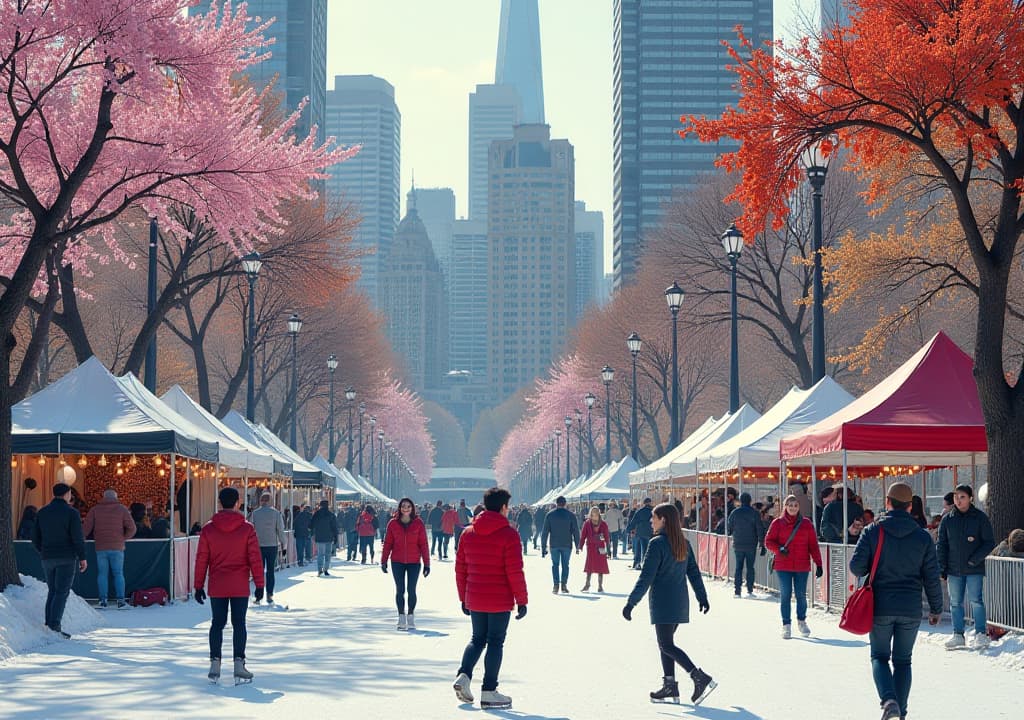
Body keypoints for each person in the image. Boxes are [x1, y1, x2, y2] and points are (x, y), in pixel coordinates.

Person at [849, 482, 942, 720]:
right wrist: (936, 608)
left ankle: (889, 700)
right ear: (910, 507)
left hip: (880, 605)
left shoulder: (873, 531)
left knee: (879, 656)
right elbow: (931, 576)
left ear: (887, 502)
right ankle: (900, 711)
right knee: (903, 661)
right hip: (910, 607)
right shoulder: (922, 537)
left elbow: (856, 566)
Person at [622, 503, 715, 707]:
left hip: (663, 602)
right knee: (666, 644)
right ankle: (670, 685)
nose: (650, 521)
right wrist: (702, 597)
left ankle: (698, 676)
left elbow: (646, 577)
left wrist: (631, 603)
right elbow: (693, 573)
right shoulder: (682, 542)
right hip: (679, 601)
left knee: (666, 644)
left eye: (654, 517)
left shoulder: (657, 544)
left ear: (663, 519)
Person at [453, 487, 528, 709]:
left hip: (475, 595)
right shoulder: (509, 534)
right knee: (495, 642)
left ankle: (464, 675)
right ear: (504, 507)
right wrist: (522, 600)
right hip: (499, 597)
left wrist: (463, 597)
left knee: (477, 639)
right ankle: (489, 690)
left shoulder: (468, 533)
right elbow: (515, 570)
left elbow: (460, 569)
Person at [193, 486, 264, 685]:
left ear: (219, 503)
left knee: (217, 623)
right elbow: (255, 559)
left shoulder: (208, 529)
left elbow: (201, 559)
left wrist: (198, 586)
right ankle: (239, 664)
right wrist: (260, 584)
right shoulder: (247, 529)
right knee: (239, 623)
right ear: (237, 503)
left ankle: (215, 663)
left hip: (218, 584)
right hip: (240, 583)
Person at [936, 483, 996, 649]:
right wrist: (942, 567)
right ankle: (958, 634)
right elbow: (941, 545)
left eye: (962, 497)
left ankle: (980, 633)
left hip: (974, 568)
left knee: (976, 600)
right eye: (956, 497)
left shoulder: (980, 518)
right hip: (954, 569)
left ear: (970, 498)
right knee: (955, 602)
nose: (958, 500)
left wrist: (974, 560)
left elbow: (989, 542)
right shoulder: (948, 520)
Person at [31, 482, 86, 638]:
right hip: (67, 557)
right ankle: (54, 626)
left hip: (47, 557)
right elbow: (77, 538)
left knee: (53, 591)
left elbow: (34, 537)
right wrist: (82, 557)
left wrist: (43, 550)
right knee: (61, 592)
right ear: (67, 494)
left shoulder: (42, 512)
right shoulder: (72, 513)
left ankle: (49, 624)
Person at [765, 494, 822, 639]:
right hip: (783, 565)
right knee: (785, 594)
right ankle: (786, 625)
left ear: (799, 507)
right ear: (785, 506)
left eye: (795, 505)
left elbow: (813, 546)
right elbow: (769, 541)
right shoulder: (777, 523)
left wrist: (819, 563)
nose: (793, 508)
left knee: (801, 595)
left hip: (802, 565)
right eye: (790, 505)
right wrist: (779, 549)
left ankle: (801, 621)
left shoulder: (806, 524)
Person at [381, 497, 431, 630]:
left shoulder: (418, 523)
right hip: (397, 561)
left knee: (411, 590)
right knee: (400, 590)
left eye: (408, 506)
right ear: (399, 508)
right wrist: (384, 560)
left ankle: (410, 616)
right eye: (403, 506)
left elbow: (423, 544)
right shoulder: (392, 523)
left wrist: (427, 564)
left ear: (412, 508)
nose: (406, 509)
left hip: (414, 561)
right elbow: (388, 543)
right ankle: (401, 617)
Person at [83, 488, 136, 609]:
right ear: (116, 497)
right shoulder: (122, 509)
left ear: (103, 497)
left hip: (101, 546)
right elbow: (132, 528)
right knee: (118, 573)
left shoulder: (95, 510)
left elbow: (85, 529)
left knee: (102, 574)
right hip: (117, 547)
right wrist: (123, 538)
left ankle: (103, 601)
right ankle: (121, 601)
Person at [726, 492, 765, 598]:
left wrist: (732, 533)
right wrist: (762, 543)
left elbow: (729, 528)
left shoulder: (734, 513)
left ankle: (737, 591)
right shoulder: (755, 513)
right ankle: (749, 590)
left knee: (738, 567)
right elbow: (759, 529)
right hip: (751, 544)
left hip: (738, 544)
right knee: (750, 567)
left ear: (740, 501)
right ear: (750, 501)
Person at [540, 495, 580, 594]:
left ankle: (556, 585)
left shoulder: (550, 515)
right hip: (567, 544)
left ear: (556, 503)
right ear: (565, 503)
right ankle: (564, 585)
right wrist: (577, 545)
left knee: (555, 565)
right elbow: (576, 531)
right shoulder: (571, 515)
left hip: (554, 544)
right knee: (565, 565)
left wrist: (543, 547)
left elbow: (545, 532)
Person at [250, 493, 286, 601]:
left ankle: (259, 594)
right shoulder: (276, 513)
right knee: (270, 571)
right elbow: (280, 530)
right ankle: (269, 593)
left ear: (261, 501)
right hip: (272, 545)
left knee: (259, 571)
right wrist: (283, 544)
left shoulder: (255, 513)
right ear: (270, 500)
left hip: (259, 545)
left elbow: (251, 529)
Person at [578, 506, 610, 592]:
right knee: (589, 566)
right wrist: (580, 546)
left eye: (596, 513)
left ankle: (600, 586)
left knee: (601, 566)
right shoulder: (587, 523)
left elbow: (607, 536)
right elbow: (583, 535)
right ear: (590, 514)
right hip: (591, 547)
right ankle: (587, 584)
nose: (594, 515)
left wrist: (609, 548)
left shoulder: (603, 524)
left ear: (598, 513)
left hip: (601, 547)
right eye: (593, 513)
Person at [310, 499, 339, 577]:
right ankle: (325, 569)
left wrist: (313, 531)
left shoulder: (317, 514)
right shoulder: (331, 514)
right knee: (327, 554)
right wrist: (336, 537)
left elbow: (311, 525)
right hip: (329, 537)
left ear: (320, 505)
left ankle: (319, 570)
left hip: (319, 537)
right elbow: (334, 527)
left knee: (320, 554)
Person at [626, 498, 654, 568]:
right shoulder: (653, 511)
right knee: (647, 549)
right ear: (650, 503)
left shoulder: (639, 511)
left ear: (644, 503)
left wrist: (628, 529)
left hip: (639, 532)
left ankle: (637, 563)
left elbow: (634, 521)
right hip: (649, 532)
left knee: (638, 549)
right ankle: (645, 563)